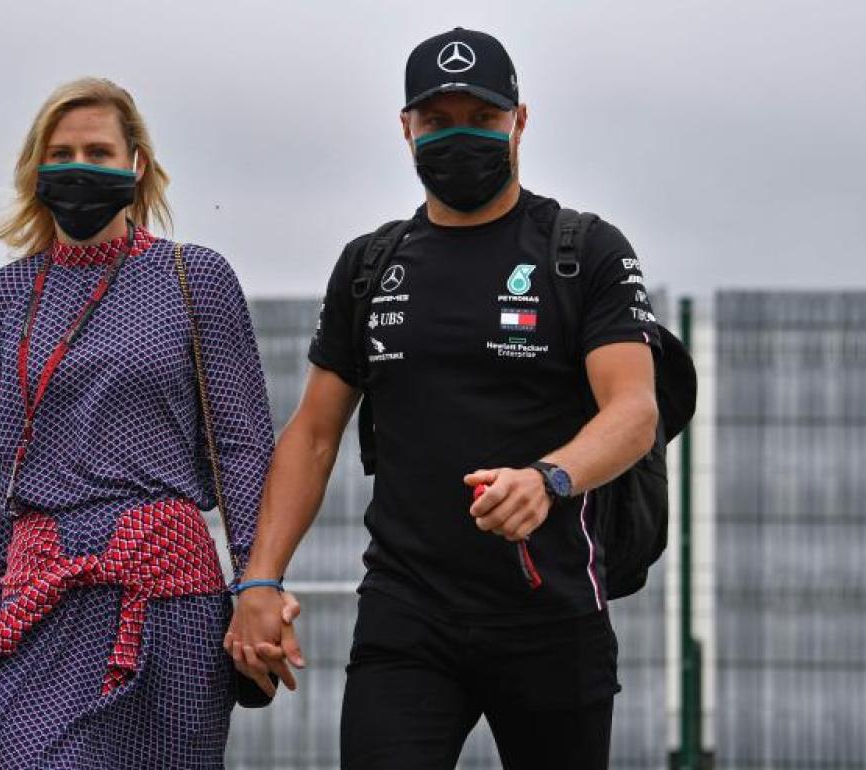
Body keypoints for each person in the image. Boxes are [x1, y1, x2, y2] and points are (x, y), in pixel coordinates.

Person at [226, 28, 661, 770]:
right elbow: (314, 434)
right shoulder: (371, 265)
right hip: (408, 616)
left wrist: (548, 480)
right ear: (406, 129)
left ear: (520, 120)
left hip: (554, 617)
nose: (459, 136)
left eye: (482, 119)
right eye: (437, 121)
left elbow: (634, 411)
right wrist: (259, 578)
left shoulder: (584, 250)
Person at [0, 76, 285, 769]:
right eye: (62, 153)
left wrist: (259, 587)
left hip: (167, 593)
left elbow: (242, 447)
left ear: (136, 166)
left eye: (100, 152)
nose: (80, 167)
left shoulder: (192, 277)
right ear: (37, 170)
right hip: (38, 592)